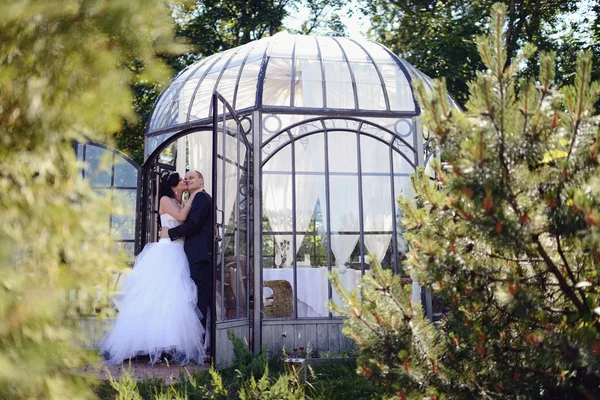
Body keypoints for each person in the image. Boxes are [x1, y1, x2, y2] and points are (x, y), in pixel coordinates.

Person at [99, 172, 205, 365]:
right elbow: (181, 217)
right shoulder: (165, 199)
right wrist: (195, 197)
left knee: (173, 299)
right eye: (182, 180)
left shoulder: (179, 201)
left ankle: (168, 344)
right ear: (174, 186)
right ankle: (141, 343)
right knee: (155, 296)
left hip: (179, 252)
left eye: (187, 179)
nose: (185, 181)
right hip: (166, 252)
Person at [168, 171, 213, 333]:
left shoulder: (201, 197)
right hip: (197, 254)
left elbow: (194, 224)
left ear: (202, 180)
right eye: (185, 178)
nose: (187, 180)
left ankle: (197, 339)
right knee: (195, 296)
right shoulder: (195, 198)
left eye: (191, 177)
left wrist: (170, 233)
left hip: (199, 254)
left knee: (198, 298)